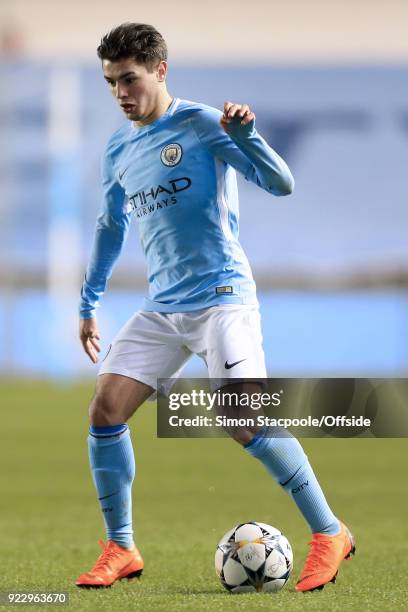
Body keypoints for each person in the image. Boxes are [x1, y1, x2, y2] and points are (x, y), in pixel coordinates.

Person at [76, 22, 355, 591]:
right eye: (110, 83)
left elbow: (281, 184)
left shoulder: (202, 124)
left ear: (160, 70)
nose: (121, 93)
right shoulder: (119, 148)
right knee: (105, 412)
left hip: (224, 297)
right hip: (164, 307)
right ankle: (121, 548)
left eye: (129, 79)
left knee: (241, 421)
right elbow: (110, 226)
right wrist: (88, 302)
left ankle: (330, 533)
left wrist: (248, 136)